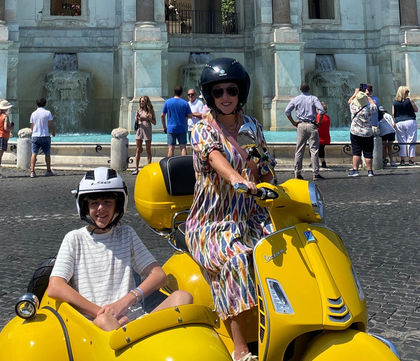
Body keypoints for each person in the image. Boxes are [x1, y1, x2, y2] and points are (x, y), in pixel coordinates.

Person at [185, 58, 274, 361]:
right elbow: (213, 157)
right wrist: (237, 179)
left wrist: (269, 182)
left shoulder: (252, 128)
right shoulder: (201, 129)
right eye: (218, 91)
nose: (225, 97)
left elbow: (263, 167)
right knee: (236, 258)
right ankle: (240, 348)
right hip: (212, 223)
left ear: (240, 93)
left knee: (287, 249)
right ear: (210, 96)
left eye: (231, 91)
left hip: (252, 216)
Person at [47, 167, 192, 331]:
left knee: (182, 297)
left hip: (136, 322)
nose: (101, 208)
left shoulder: (126, 234)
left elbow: (159, 276)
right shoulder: (74, 239)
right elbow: (55, 286)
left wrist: (125, 302)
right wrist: (103, 313)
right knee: (105, 321)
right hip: (98, 327)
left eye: (108, 203)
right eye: (94, 203)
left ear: (118, 206)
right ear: (85, 207)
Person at [285, 82, 326, 180]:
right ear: (309, 89)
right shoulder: (313, 98)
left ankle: (297, 173)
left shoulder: (296, 99)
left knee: (299, 150)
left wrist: (293, 123)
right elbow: (321, 110)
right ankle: (315, 173)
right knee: (314, 150)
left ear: (300, 89)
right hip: (312, 125)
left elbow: (287, 111)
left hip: (301, 125)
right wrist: (319, 122)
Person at [348, 86, 377, 177]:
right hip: (367, 133)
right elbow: (375, 106)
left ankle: (355, 170)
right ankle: (370, 171)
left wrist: (355, 94)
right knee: (368, 152)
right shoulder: (369, 108)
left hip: (355, 132)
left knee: (356, 152)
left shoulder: (353, 107)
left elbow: (349, 101)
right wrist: (367, 96)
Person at [161, 86, 193, 157]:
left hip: (171, 128)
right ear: (181, 93)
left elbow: (162, 115)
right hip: (182, 128)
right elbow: (190, 115)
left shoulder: (168, 102)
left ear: (174, 92)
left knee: (171, 148)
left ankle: (169, 165)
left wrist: (164, 126)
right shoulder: (185, 103)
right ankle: (184, 165)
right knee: (183, 148)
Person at [29, 98, 55, 178]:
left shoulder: (33, 113)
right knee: (47, 153)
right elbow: (51, 124)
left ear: (36, 104)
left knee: (34, 153)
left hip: (35, 136)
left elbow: (32, 126)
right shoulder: (47, 113)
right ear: (45, 104)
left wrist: (33, 131)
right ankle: (48, 170)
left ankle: (32, 171)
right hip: (45, 135)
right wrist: (53, 131)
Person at [393, 86, 418, 165]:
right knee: (411, 140)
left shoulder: (395, 102)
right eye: (407, 92)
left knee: (401, 141)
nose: (408, 94)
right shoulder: (409, 100)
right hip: (410, 121)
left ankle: (402, 160)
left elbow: (393, 113)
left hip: (399, 122)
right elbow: (416, 110)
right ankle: (411, 160)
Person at [133, 96, 156, 175]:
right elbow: (135, 120)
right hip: (140, 129)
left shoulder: (151, 111)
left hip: (147, 130)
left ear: (146, 102)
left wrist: (148, 118)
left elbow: (154, 122)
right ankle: (136, 168)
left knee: (148, 150)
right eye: (140, 101)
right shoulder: (138, 110)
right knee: (138, 149)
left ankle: (148, 167)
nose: (141, 103)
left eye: (142, 101)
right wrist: (136, 119)